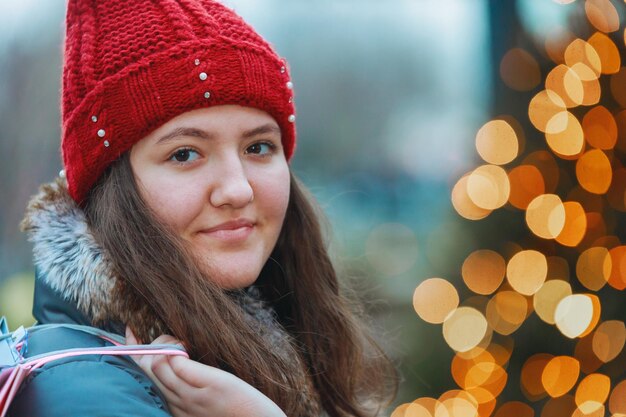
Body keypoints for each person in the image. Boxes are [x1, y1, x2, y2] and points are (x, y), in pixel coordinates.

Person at [7, 1, 396, 416]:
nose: (238, 189)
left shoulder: (284, 331)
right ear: (109, 190)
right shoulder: (85, 397)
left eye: (259, 147)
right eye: (185, 154)